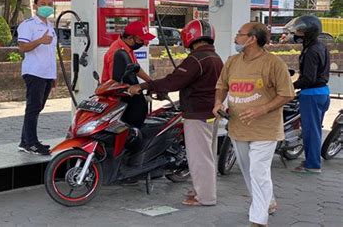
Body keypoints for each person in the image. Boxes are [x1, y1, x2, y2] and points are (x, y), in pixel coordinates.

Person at [128, 20, 223, 206]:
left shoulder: (197, 59)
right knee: (207, 155)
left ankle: (205, 197)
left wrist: (144, 86)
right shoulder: (215, 57)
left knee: (199, 158)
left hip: (197, 113)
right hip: (210, 111)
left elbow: (174, 81)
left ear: (190, 36)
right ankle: (203, 191)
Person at [213, 22, 295, 227]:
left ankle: (258, 219)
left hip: (264, 129)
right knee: (249, 170)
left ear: (252, 39)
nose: (235, 37)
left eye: (239, 34)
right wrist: (217, 103)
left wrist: (262, 109)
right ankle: (267, 201)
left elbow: (287, 94)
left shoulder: (274, 63)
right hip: (238, 127)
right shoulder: (232, 61)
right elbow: (221, 86)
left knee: (258, 171)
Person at [285, 15, 330, 174]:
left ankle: (312, 165)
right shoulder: (321, 46)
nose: (297, 33)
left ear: (308, 32)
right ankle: (311, 160)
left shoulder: (311, 51)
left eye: (300, 30)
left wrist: (290, 86)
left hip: (311, 94)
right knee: (315, 129)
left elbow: (309, 78)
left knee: (311, 131)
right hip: (322, 92)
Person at [17, 0, 57, 155]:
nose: (46, 6)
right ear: (35, 6)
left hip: (47, 73)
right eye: (42, 3)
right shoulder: (28, 25)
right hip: (34, 72)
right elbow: (23, 47)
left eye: (49, 3)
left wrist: (54, 75)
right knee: (33, 108)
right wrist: (39, 40)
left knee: (37, 107)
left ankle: (24, 141)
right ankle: (32, 143)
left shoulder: (50, 25)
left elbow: (51, 52)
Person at [101, 21, 155, 129]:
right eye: (142, 40)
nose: (146, 43)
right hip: (119, 99)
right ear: (130, 38)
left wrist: (152, 83)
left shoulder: (127, 49)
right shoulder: (117, 53)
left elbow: (136, 68)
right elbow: (116, 82)